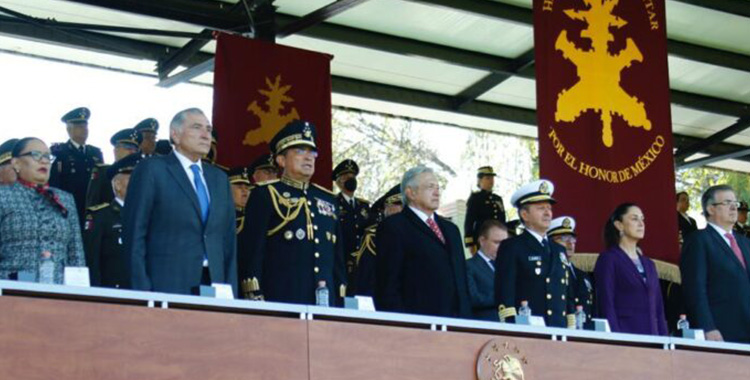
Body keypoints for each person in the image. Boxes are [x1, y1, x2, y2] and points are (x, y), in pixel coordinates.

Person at [122, 108, 237, 296]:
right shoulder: (152, 170)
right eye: (197, 127)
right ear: (175, 135)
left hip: (214, 284)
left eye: (208, 129)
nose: (205, 135)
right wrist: (141, 292)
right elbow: (134, 234)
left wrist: (231, 293)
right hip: (165, 284)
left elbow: (228, 241)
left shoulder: (219, 179)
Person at [237, 120, 346, 305]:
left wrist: (341, 297)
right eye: (300, 151)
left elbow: (337, 260)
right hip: (280, 299)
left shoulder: (328, 199)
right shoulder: (266, 194)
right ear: (281, 160)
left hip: (324, 303)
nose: (308, 157)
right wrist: (254, 293)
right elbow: (253, 250)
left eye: (312, 152)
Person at [375, 166, 471, 318]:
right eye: (429, 187)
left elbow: (461, 281)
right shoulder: (394, 227)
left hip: (456, 324)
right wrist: (401, 325)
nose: (437, 192)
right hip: (418, 325)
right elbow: (388, 285)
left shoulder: (451, 229)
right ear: (410, 192)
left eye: (438, 187)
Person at [0, 137, 85, 282]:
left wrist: (80, 295)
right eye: (36, 155)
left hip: (59, 293)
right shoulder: (3, 196)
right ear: (16, 163)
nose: (44, 161)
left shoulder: (65, 199)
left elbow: (76, 254)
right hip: (12, 292)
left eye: (47, 156)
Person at [495, 179, 574, 328]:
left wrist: (571, 328)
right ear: (525, 214)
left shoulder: (559, 250)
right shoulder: (512, 247)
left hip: (560, 331)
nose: (547, 213)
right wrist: (512, 327)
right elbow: (505, 293)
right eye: (540, 208)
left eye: (549, 208)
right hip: (529, 330)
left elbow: (567, 295)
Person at [681, 185, 750, 343]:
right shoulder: (699, 240)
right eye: (727, 202)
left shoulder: (745, 243)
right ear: (710, 209)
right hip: (721, 331)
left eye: (735, 203)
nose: (734, 207)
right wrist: (707, 327)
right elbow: (695, 288)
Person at [595, 203, 668, 336]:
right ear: (619, 225)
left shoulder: (649, 264)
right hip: (626, 338)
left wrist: (664, 341)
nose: (641, 223)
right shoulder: (609, 259)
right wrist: (616, 339)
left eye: (642, 219)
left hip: (653, 339)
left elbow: (659, 309)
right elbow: (606, 304)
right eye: (634, 219)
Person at [83, 153, 142, 289]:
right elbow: (92, 260)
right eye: (133, 180)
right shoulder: (100, 216)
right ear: (117, 185)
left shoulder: (148, 216)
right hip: (112, 292)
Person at [49, 107, 104, 226]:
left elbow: (102, 182)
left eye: (85, 126)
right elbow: (55, 183)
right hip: (71, 209)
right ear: (69, 129)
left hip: (93, 210)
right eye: (79, 126)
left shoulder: (95, 153)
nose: (84, 130)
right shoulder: (60, 153)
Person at [352, 184, 403, 297]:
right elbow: (366, 276)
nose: (402, 209)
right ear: (386, 207)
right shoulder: (374, 235)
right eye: (398, 204)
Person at [333, 159, 370, 295]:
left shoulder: (363, 206)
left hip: (360, 262)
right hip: (341, 260)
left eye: (353, 177)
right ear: (338, 182)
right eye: (346, 177)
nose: (350, 180)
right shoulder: (333, 203)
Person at [548, 216, 594, 323]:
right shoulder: (549, 271)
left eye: (572, 239)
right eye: (564, 238)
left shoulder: (582, 275)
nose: (570, 243)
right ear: (551, 242)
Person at [85, 128, 141, 209]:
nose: (132, 152)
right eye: (128, 147)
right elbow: (93, 203)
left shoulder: (141, 172)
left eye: (136, 149)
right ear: (116, 150)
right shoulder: (103, 172)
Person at [466, 220, 508, 321]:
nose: (503, 247)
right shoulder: (468, 266)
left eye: (505, 243)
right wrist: (505, 297)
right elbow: (474, 298)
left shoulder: (507, 266)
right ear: (482, 240)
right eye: (497, 242)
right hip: (484, 326)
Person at [464, 166, 506, 252]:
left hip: (499, 240)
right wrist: (471, 244)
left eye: (492, 178)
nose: (491, 181)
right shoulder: (475, 198)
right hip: (483, 240)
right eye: (487, 178)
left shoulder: (497, 198)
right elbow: (469, 221)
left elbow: (503, 220)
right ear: (479, 180)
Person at [227, 167, 251, 234]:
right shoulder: (219, 216)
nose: (245, 191)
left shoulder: (252, 218)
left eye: (247, 188)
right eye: (239, 187)